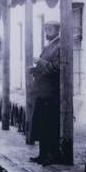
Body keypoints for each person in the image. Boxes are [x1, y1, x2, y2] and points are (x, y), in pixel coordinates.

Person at [25, 23, 61, 162]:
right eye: (46, 29)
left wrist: (39, 62)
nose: (47, 32)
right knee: (41, 123)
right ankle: (42, 154)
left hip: (51, 92)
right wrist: (34, 70)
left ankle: (51, 155)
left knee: (49, 124)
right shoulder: (49, 45)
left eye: (50, 29)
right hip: (42, 91)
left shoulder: (59, 46)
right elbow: (45, 67)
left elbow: (55, 68)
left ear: (57, 31)